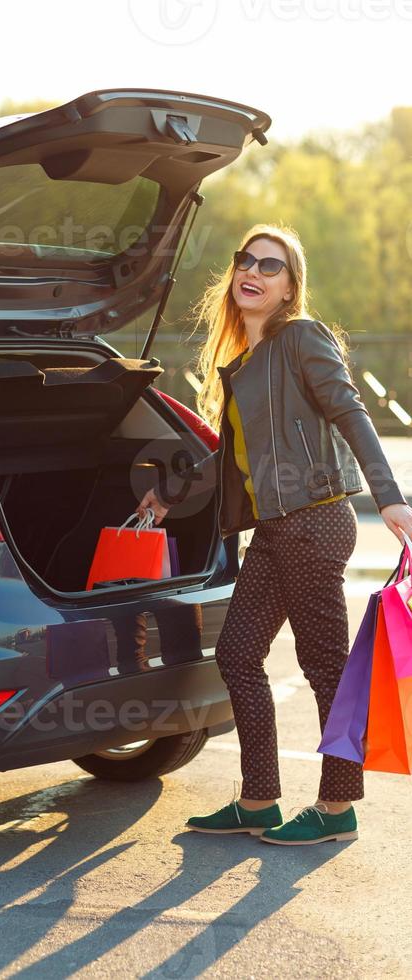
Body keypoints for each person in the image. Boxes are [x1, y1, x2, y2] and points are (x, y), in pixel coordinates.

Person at [136, 223, 412, 845]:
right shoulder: (246, 365)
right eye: (245, 260)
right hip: (277, 529)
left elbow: (351, 411)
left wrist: (389, 498)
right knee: (237, 656)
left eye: (271, 265)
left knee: (324, 669)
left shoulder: (301, 339)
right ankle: (259, 799)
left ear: (291, 288)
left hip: (314, 521)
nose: (252, 272)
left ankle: (338, 805)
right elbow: (232, 458)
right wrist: (169, 492)